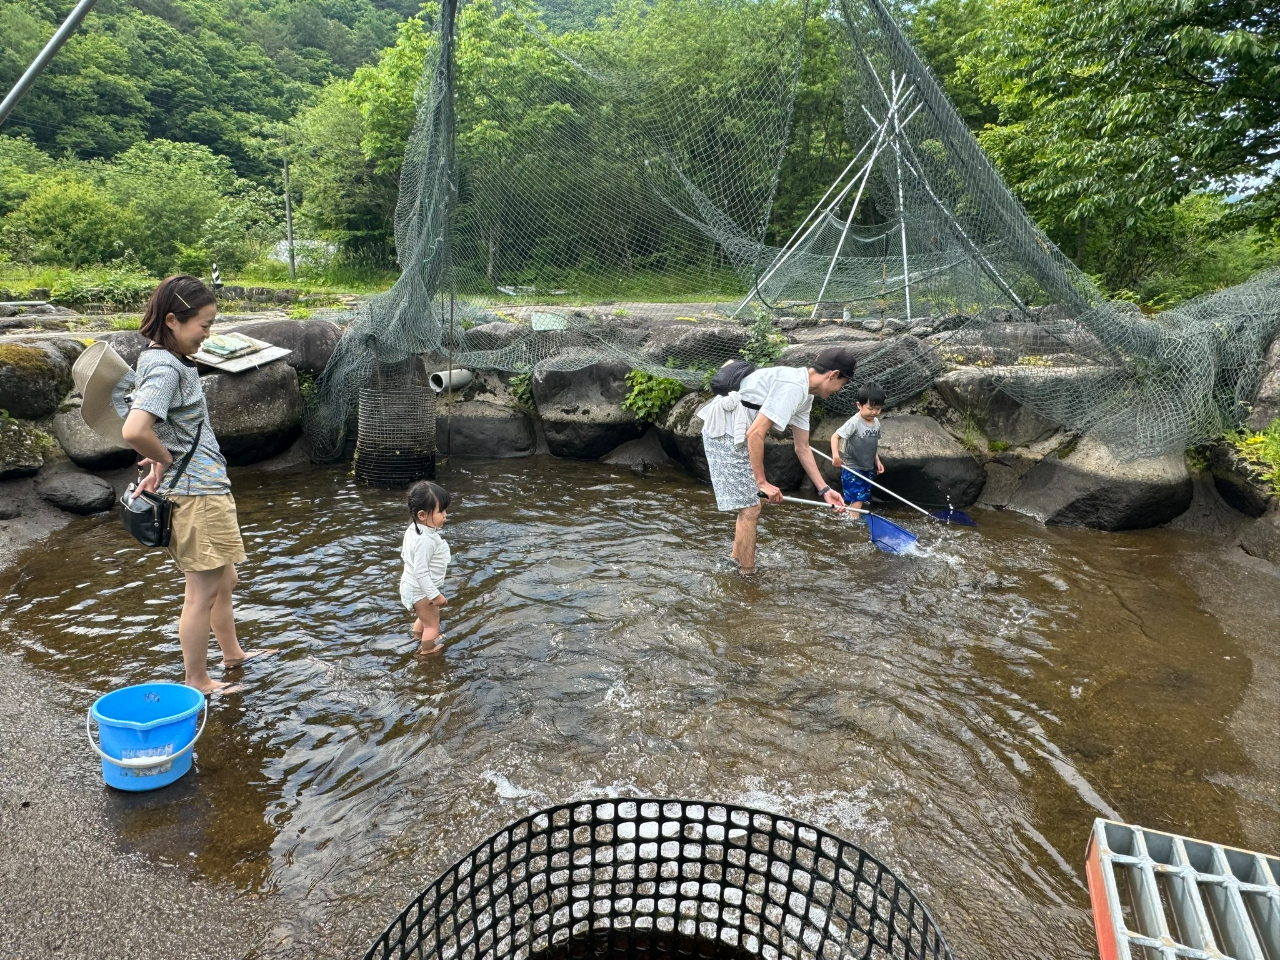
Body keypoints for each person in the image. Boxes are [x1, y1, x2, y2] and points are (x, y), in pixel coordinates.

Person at [120, 275, 275, 695]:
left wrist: (160, 457)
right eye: (204, 325)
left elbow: (159, 425)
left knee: (225, 581)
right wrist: (165, 458)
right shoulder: (165, 367)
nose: (208, 334)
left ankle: (232, 654)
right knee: (201, 594)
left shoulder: (160, 359)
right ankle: (198, 681)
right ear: (173, 320)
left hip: (201, 488)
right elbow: (134, 429)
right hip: (197, 494)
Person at [698, 347, 857, 574]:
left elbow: (802, 447)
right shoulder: (793, 386)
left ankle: (735, 561)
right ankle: (748, 575)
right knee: (751, 507)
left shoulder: (805, 395)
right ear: (833, 375)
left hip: (738, 431)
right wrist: (761, 482)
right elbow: (755, 433)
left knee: (755, 503)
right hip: (724, 430)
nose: (840, 389)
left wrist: (824, 490)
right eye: (844, 383)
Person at [400, 479, 452, 655]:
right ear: (422, 515)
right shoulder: (426, 540)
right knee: (432, 624)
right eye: (441, 511)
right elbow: (420, 572)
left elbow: (407, 558)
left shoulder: (413, 529)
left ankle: (417, 637)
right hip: (422, 591)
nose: (445, 515)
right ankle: (427, 653)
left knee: (424, 618)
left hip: (411, 586)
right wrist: (435, 595)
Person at [831, 381, 885, 515]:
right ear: (859, 405)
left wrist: (877, 461)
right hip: (853, 468)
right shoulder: (854, 422)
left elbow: (872, 445)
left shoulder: (876, 423)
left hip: (867, 468)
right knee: (858, 499)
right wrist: (836, 456)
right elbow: (835, 437)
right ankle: (853, 523)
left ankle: (844, 517)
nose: (874, 412)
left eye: (878, 409)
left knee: (862, 497)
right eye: (870, 408)